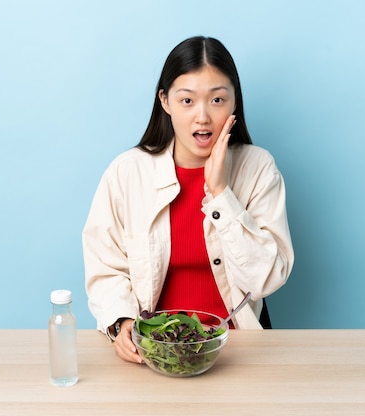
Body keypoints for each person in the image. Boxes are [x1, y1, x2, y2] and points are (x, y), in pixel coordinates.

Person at [82, 36, 294, 364]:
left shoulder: (258, 168)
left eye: (217, 100)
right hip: (154, 350)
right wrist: (121, 322)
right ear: (165, 101)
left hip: (236, 352)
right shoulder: (126, 172)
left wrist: (221, 192)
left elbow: (265, 279)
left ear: (235, 101)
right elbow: (104, 266)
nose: (203, 117)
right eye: (187, 101)